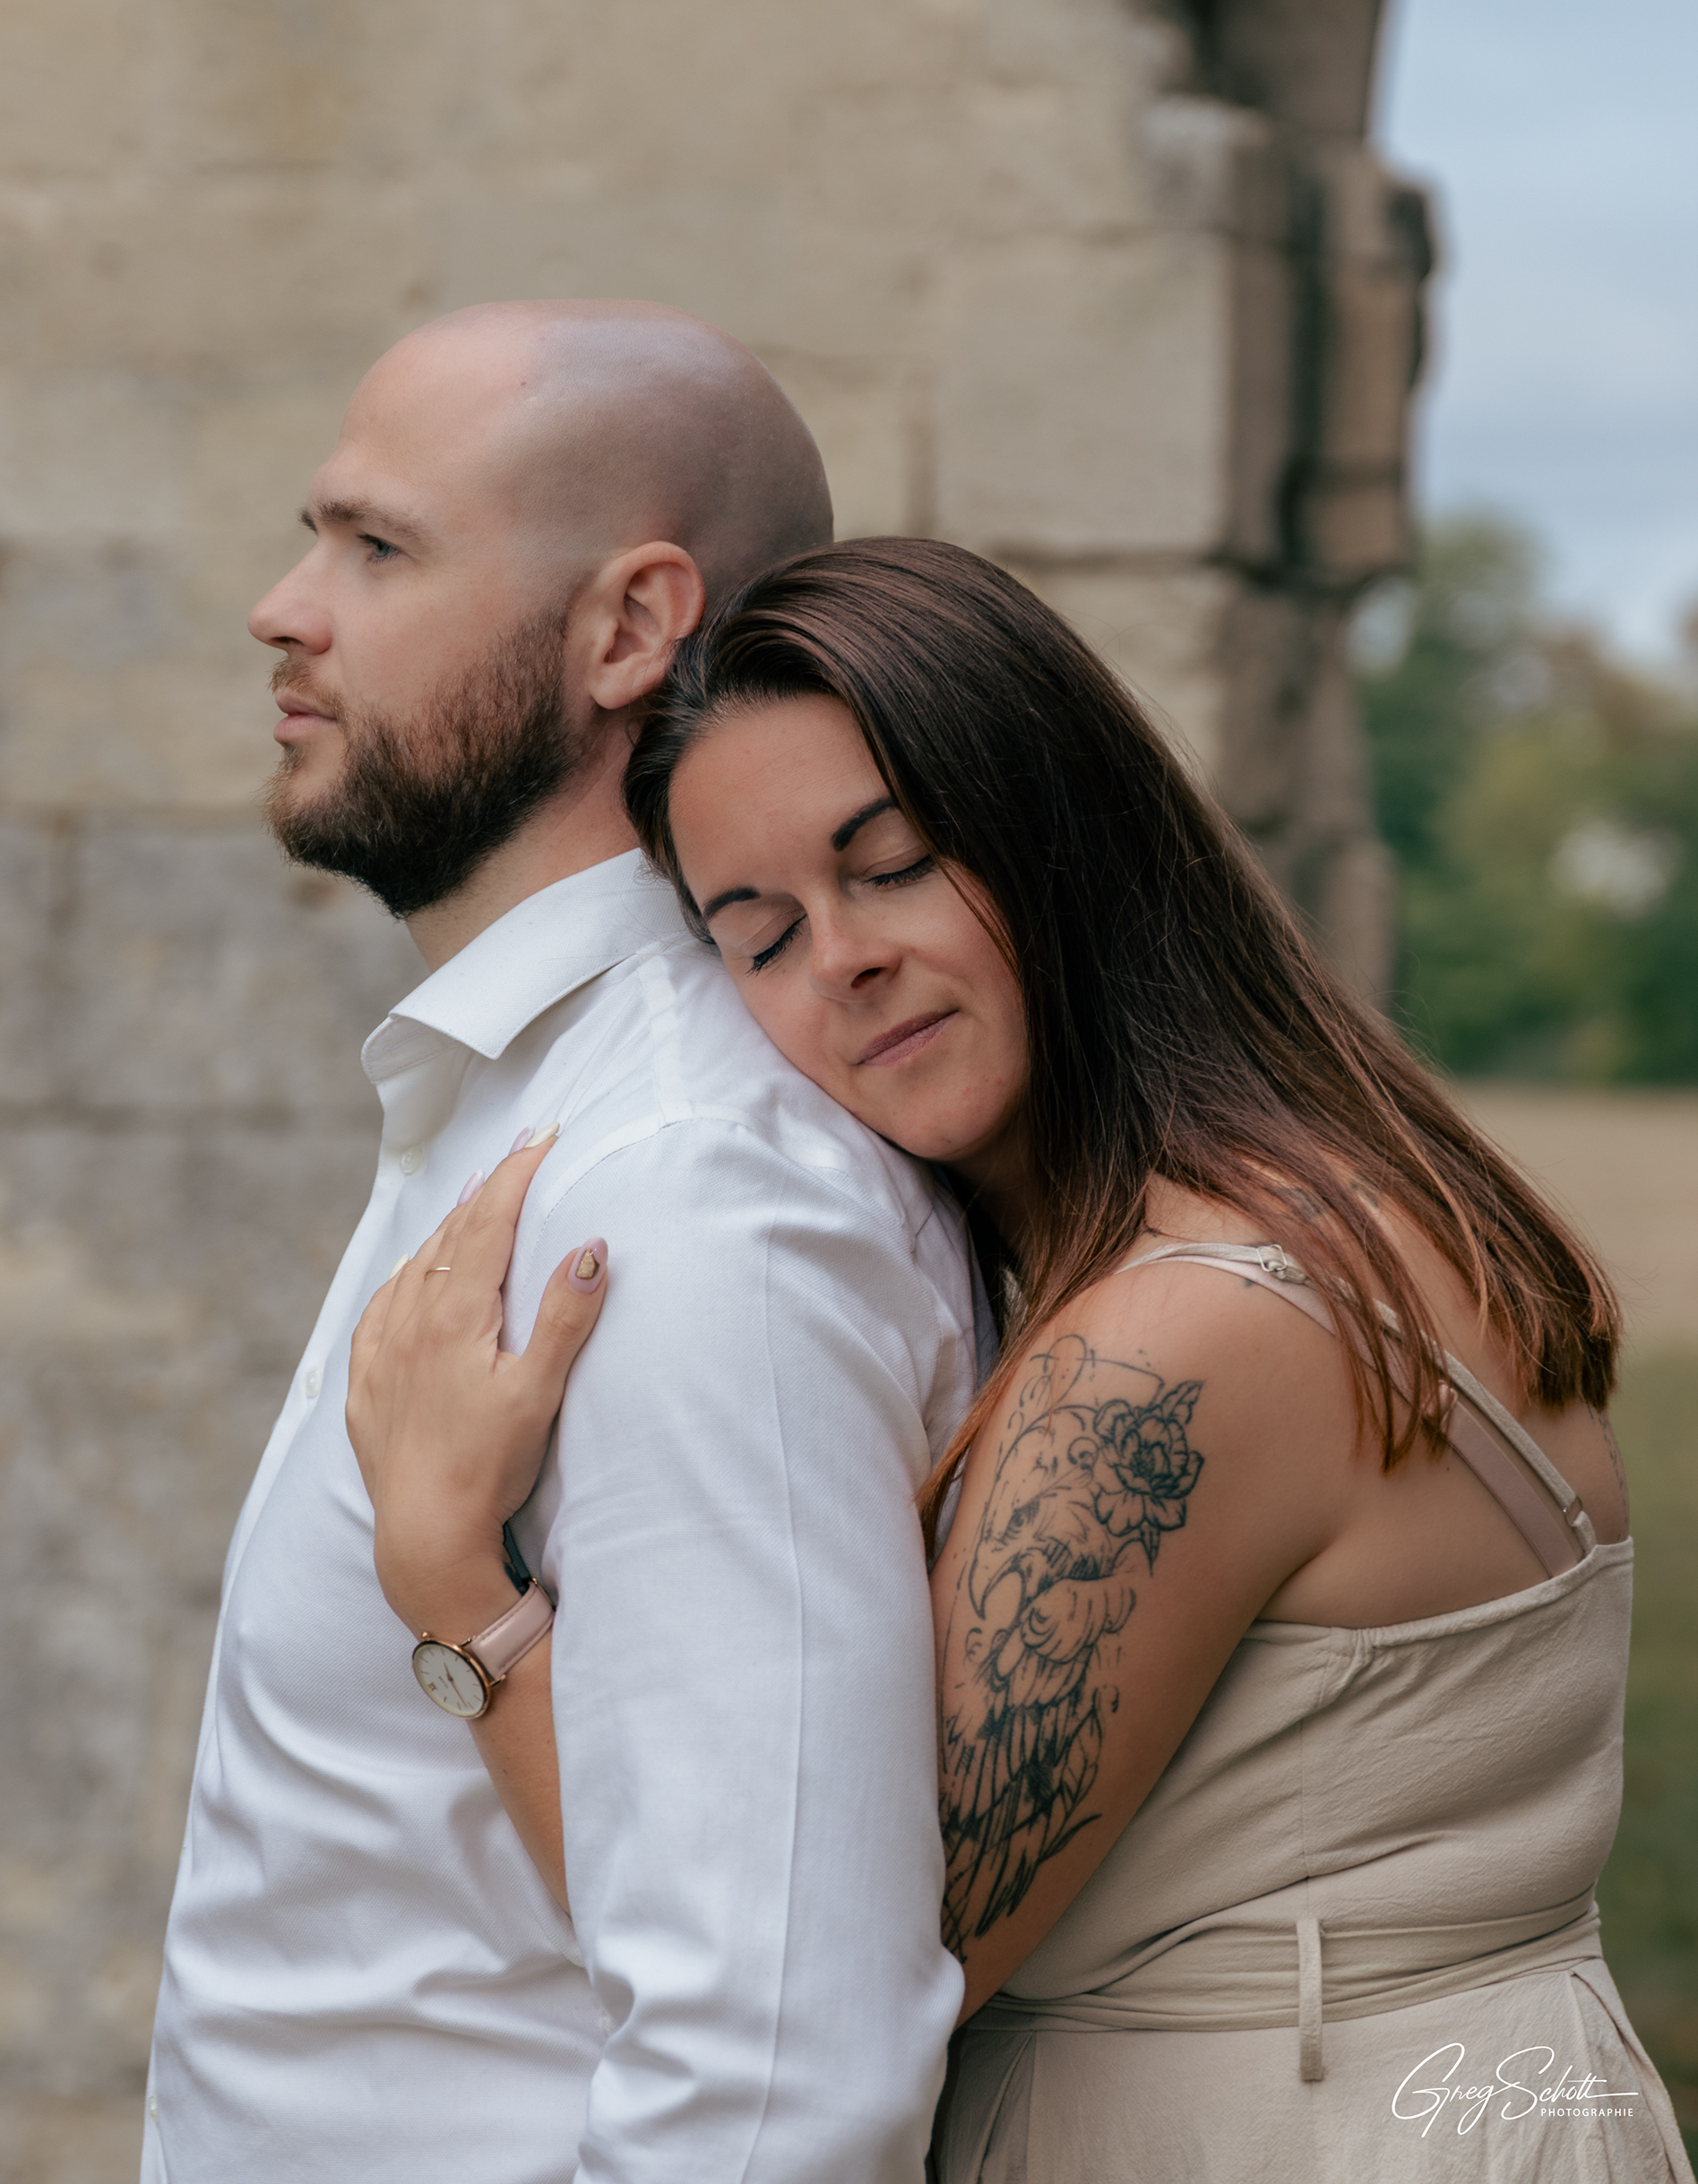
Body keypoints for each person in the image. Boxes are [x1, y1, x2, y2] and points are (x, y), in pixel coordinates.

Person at [357, 536, 1694, 2181]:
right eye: (760, 938)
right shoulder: (1330, 1196)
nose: (842, 958)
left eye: (894, 863)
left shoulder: (1179, 1342)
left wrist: (456, 1590)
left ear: (1060, 825)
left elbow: (813, 1971)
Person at [141, 309, 987, 2184]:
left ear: (629, 629)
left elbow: (770, 2091)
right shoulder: (535, 1108)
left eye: (378, 547)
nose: (284, 611)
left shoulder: (692, 1195)